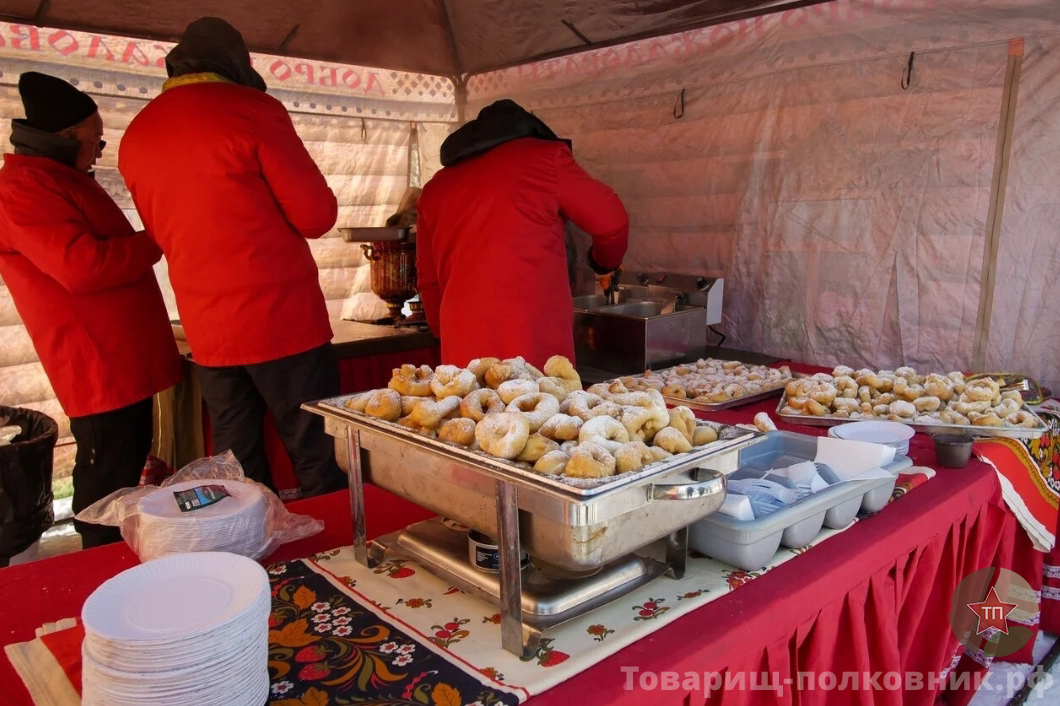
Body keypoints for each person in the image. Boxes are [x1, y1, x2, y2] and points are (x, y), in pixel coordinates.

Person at [118, 18, 345, 497]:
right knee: (317, 454)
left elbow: (160, 231)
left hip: (208, 330)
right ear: (238, 64)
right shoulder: (253, 110)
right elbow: (316, 215)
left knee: (236, 463)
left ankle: (247, 560)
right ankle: (338, 560)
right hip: (283, 321)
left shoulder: (137, 133)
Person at [0, 72, 183, 549]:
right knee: (106, 479)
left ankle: (118, 558)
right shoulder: (23, 189)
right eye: (95, 141)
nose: (98, 151)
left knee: (124, 469)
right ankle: (97, 569)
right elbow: (83, 267)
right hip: (97, 362)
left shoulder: (58, 178)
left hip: (120, 356)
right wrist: (153, 241)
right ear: (63, 139)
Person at [416, 99, 628, 370]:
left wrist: (447, 331)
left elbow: (429, 282)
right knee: (538, 408)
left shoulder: (436, 188)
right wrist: (604, 262)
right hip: (530, 335)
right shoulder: (545, 158)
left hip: (462, 341)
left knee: (472, 409)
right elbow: (612, 221)